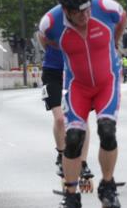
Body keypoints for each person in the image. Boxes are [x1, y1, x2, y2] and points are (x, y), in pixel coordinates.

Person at [39, 0, 127, 208]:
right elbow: (47, 42)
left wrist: (115, 44)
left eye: (88, 9)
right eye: (79, 13)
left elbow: (122, 21)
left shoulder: (108, 8)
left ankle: (108, 186)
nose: (86, 15)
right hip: (77, 85)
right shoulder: (51, 24)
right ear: (66, 11)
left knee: (107, 130)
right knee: (73, 137)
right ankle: (70, 195)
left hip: (106, 82)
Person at [37, 14, 92, 188]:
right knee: (60, 119)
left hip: (76, 72)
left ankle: (82, 163)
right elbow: (42, 37)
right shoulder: (52, 20)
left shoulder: (85, 19)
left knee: (81, 119)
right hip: (52, 72)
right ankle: (62, 155)